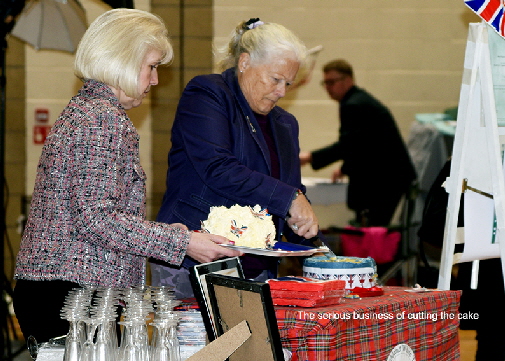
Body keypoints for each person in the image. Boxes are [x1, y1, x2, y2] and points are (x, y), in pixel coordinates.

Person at [12, 8, 240, 344]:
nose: (155, 80)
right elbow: (97, 219)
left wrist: (171, 234)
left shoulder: (87, 110)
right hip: (74, 294)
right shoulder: (103, 119)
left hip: (64, 291)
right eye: (152, 67)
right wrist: (184, 242)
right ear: (122, 58)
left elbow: (97, 216)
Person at [151, 18, 320, 298]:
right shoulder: (207, 94)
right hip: (197, 259)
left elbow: (290, 194)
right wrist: (290, 198)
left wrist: (315, 243)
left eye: (288, 83)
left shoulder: (285, 123)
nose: (281, 92)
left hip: (259, 268)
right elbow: (218, 168)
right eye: (275, 79)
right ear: (244, 63)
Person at [299, 59, 416, 227]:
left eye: (332, 82)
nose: (327, 87)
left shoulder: (354, 105)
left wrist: (310, 157)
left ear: (348, 80)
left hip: (386, 178)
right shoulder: (357, 100)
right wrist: (346, 168)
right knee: (372, 226)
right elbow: (364, 145)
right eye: (325, 83)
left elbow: (349, 145)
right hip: (388, 176)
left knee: (373, 230)